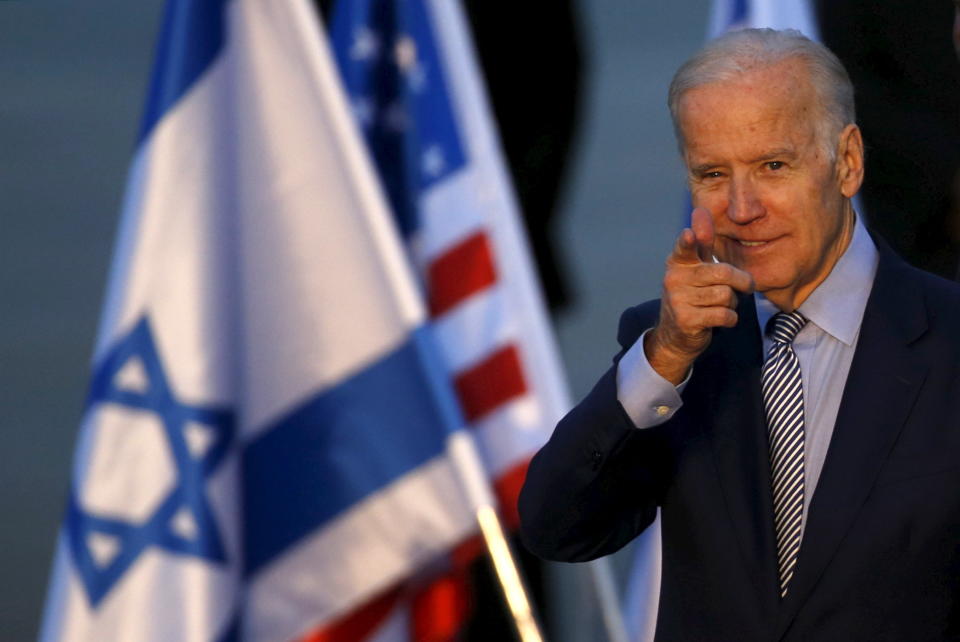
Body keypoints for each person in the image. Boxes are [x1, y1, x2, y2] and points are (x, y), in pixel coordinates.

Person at [519, 28, 960, 640]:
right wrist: (665, 358)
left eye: (773, 166)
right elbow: (557, 528)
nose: (742, 208)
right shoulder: (672, 352)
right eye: (712, 174)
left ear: (848, 161)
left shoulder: (949, 339)